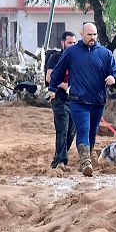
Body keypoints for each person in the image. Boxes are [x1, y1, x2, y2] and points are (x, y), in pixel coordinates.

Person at [49, 23, 116, 176]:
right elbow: (58, 71)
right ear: (82, 34)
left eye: (95, 35)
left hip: (98, 101)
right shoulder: (71, 52)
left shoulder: (105, 54)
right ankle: (86, 162)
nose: (93, 38)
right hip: (77, 100)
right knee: (83, 129)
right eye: (89, 35)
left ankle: (85, 159)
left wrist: (114, 78)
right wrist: (52, 88)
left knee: (92, 133)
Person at [45, 31, 77, 169]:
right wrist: (63, 85)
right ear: (63, 43)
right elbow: (49, 78)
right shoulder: (55, 57)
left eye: (74, 43)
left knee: (72, 131)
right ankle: (61, 160)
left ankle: (58, 157)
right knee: (62, 128)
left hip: (74, 100)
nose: (72, 45)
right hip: (59, 98)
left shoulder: (77, 58)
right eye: (70, 43)